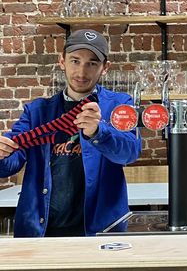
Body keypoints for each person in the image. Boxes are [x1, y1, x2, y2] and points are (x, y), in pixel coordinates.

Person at [0, 29, 142, 237]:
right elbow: (12, 163)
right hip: (40, 231)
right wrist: (2, 153)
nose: (82, 72)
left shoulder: (119, 105)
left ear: (105, 68)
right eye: (75, 61)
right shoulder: (37, 111)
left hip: (102, 232)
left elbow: (130, 153)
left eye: (92, 63)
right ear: (62, 61)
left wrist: (98, 133)